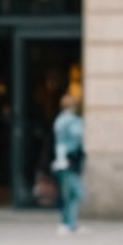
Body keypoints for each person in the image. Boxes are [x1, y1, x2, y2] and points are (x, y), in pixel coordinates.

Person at [50, 93, 85, 235]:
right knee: (77, 193)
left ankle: (68, 223)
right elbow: (76, 137)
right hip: (69, 160)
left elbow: (60, 143)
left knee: (68, 194)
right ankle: (69, 223)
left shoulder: (59, 121)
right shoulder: (72, 121)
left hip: (64, 160)